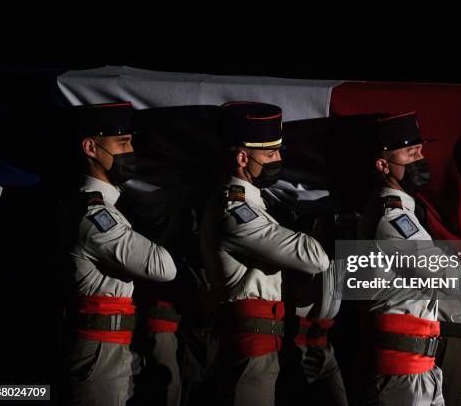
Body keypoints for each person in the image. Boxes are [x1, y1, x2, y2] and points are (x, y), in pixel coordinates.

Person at [199, 101, 331, 406]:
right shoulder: (237, 212)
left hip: (265, 341)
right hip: (249, 347)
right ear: (243, 158)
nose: (279, 159)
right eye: (270, 153)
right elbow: (316, 258)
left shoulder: (253, 204)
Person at [61, 102, 178, 406]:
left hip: (116, 345)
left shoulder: (113, 206)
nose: (130, 151)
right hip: (98, 349)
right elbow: (163, 267)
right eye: (122, 143)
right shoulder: (95, 215)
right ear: (91, 147)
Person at [356, 112, 461, 406]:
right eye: (410, 152)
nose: (420, 158)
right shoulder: (392, 220)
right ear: (383, 165)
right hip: (401, 369)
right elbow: (449, 279)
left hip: (420, 365)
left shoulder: (406, 213)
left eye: (420, 150)